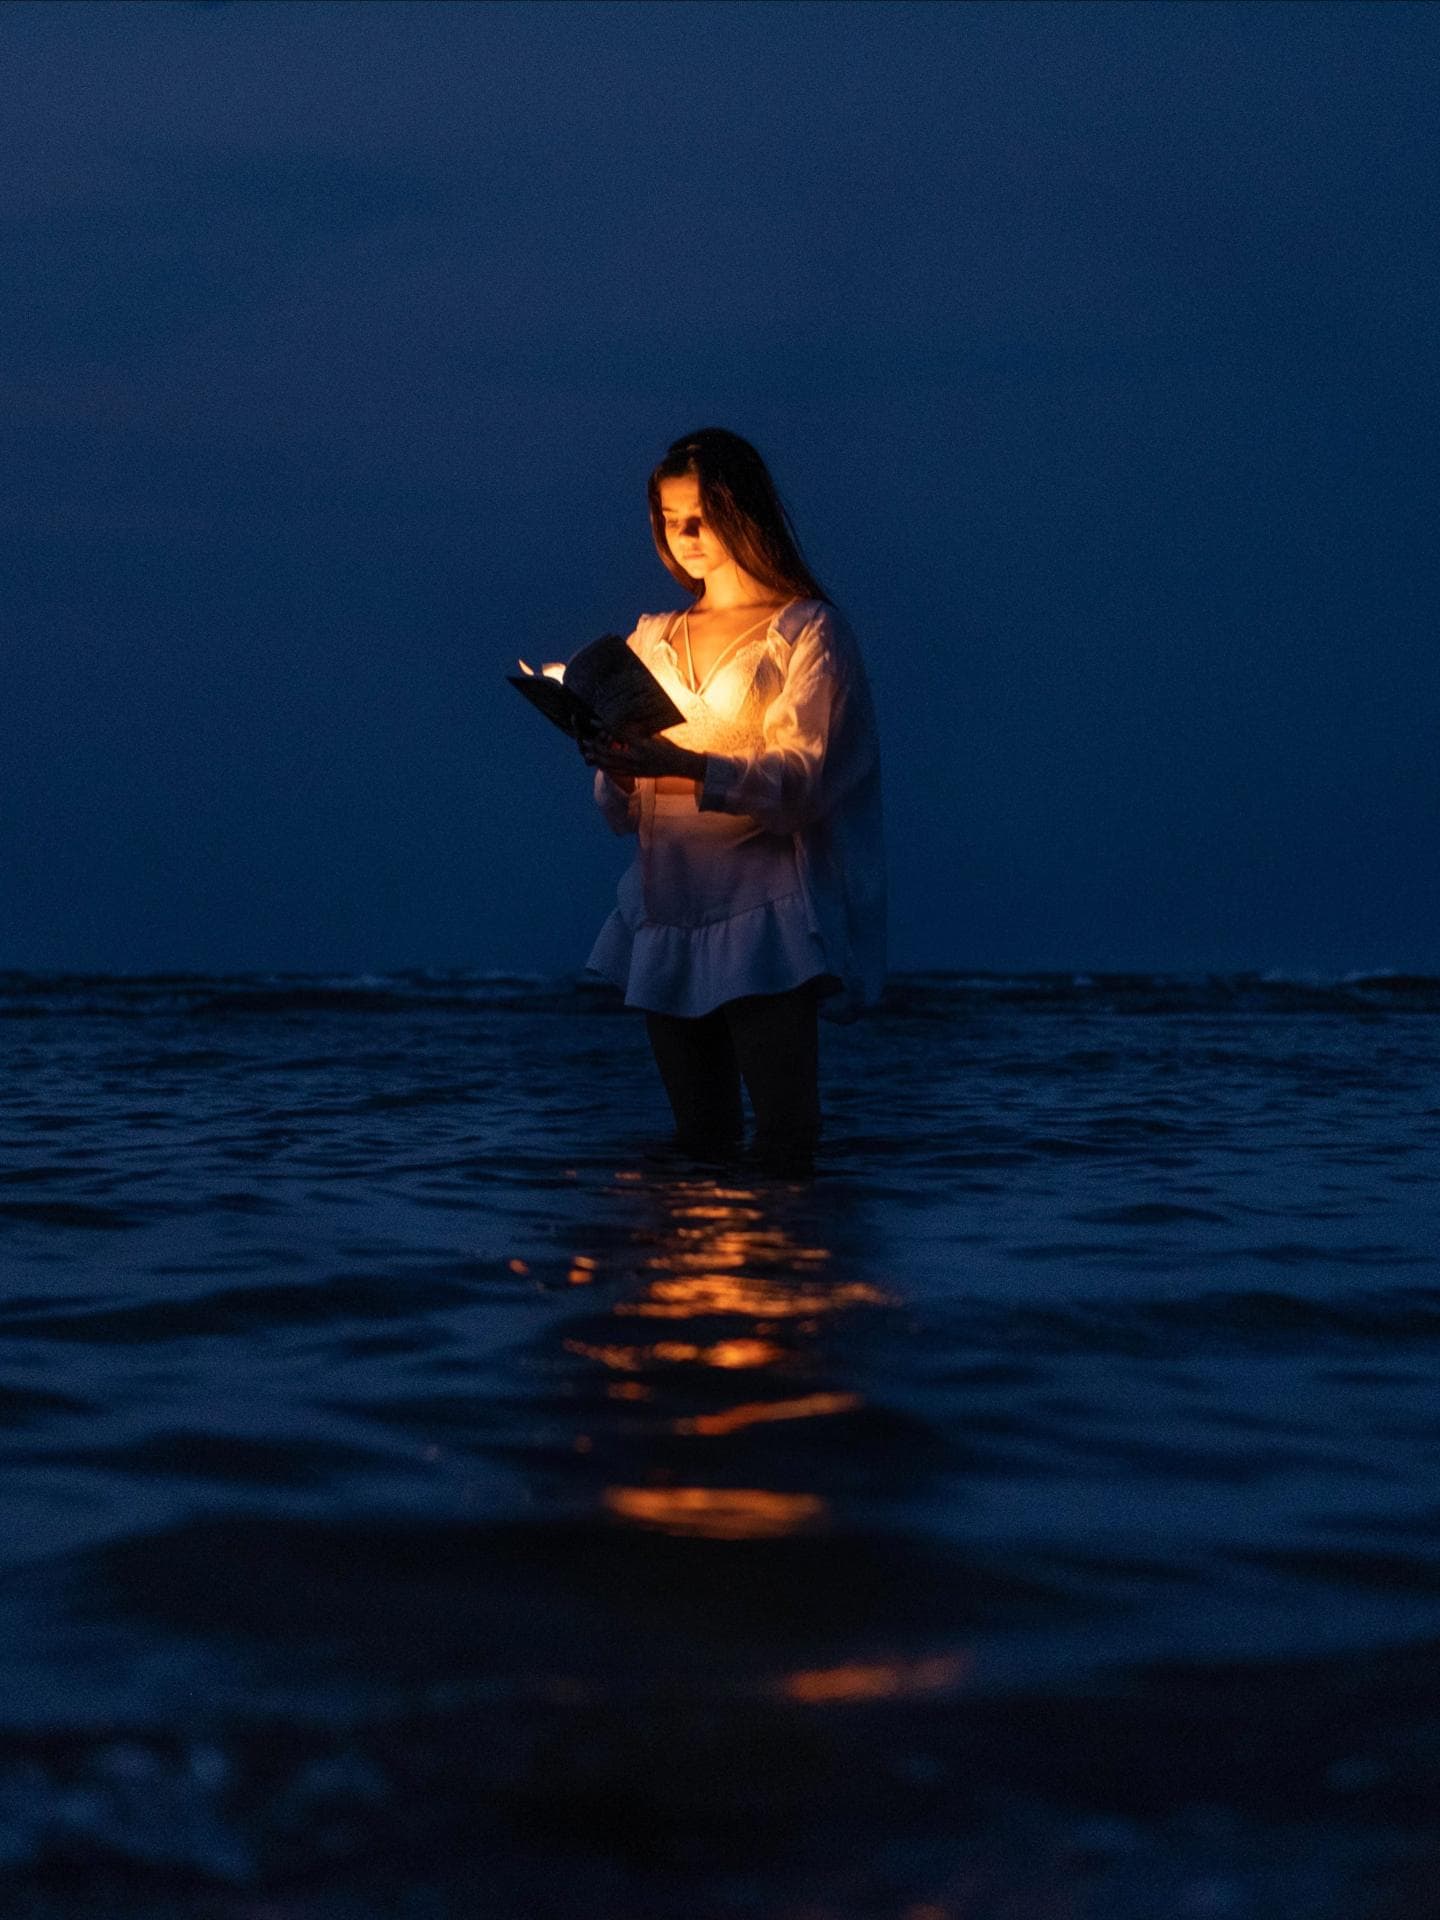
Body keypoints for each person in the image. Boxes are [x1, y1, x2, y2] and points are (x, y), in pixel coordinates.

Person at [581, 427, 885, 1175]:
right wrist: (617, 767)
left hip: (765, 911)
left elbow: (804, 780)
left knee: (784, 1143)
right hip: (667, 907)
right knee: (697, 1146)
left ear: (741, 513)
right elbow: (621, 815)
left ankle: (793, 1248)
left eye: (700, 518)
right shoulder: (651, 639)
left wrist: (685, 765)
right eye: (669, 519)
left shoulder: (806, 631)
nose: (683, 537)